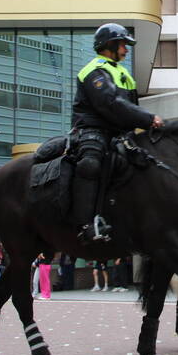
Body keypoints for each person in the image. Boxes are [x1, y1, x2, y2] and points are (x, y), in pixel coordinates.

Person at [72, 23, 163, 243]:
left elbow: (131, 106)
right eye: (123, 44)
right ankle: (86, 224)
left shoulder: (123, 73)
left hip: (120, 132)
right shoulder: (94, 71)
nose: (126, 49)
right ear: (109, 45)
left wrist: (142, 124)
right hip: (93, 129)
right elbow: (110, 103)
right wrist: (148, 119)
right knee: (91, 163)